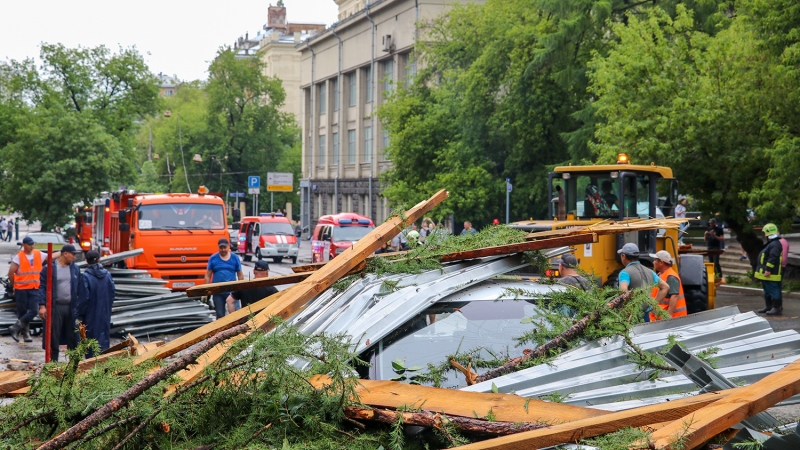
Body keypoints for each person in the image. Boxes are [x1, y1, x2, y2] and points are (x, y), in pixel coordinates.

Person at [38, 244, 86, 362]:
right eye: (73, 254)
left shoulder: (75, 268)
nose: (74, 257)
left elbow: (80, 288)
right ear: (65, 254)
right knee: (54, 336)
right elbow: (42, 287)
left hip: (71, 308)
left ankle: (73, 365)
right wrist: (42, 305)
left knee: (72, 336)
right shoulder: (50, 268)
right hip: (56, 307)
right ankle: (53, 364)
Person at [7, 236, 49, 343]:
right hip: (21, 289)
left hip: (34, 288)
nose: (32, 246)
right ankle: (26, 334)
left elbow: (51, 256)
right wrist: (13, 285)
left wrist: (63, 251)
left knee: (34, 310)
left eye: (33, 244)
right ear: (23, 245)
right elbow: (11, 273)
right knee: (22, 312)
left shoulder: (38, 254)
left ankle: (15, 327)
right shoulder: (19, 257)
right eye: (30, 244)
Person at [75, 251, 115, 354]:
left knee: (90, 342)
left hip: (90, 315)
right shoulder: (107, 275)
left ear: (86, 261)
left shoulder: (86, 277)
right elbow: (112, 293)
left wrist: (79, 315)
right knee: (104, 341)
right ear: (99, 260)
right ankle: (103, 364)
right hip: (105, 313)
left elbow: (84, 299)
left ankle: (92, 366)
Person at [617, 243, 670, 322]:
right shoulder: (650, 271)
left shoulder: (625, 273)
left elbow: (623, 291)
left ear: (623, 256)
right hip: (645, 314)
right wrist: (652, 304)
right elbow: (665, 287)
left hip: (630, 317)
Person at [205, 238, 244, 319]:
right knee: (220, 315)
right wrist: (206, 290)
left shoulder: (234, 258)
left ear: (228, 246)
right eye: (221, 248)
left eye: (224, 247)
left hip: (232, 291)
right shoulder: (213, 258)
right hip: (218, 291)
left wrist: (241, 289)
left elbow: (240, 274)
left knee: (235, 314)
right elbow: (208, 275)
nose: (223, 250)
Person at [754, 223, 784, 316]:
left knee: (774, 291)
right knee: (767, 291)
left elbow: (773, 258)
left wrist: (768, 269)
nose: (764, 235)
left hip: (771, 273)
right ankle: (769, 306)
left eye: (764, 233)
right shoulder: (772, 243)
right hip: (767, 273)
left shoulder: (775, 244)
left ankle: (776, 308)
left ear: (767, 233)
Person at [648, 250, 687, 320]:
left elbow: (674, 297)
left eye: (655, 260)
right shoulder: (661, 275)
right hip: (660, 319)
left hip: (673, 320)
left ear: (661, 262)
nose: (653, 262)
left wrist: (667, 317)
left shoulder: (671, 277)